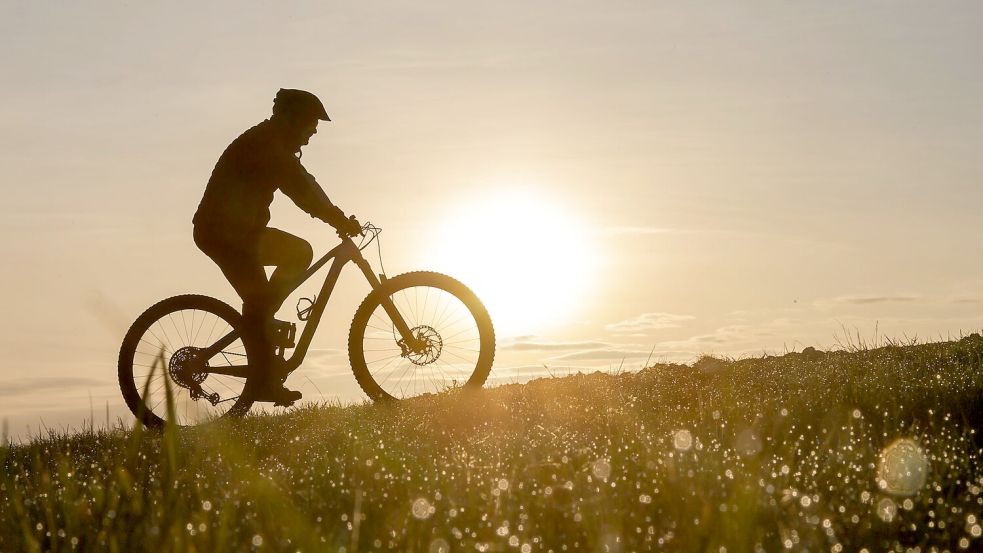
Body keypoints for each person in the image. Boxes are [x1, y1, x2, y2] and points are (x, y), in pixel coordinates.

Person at [192, 88, 360, 405]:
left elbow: (304, 182)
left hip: (239, 233)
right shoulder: (266, 145)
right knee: (274, 282)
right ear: (289, 118)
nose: (312, 133)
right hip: (224, 234)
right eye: (310, 124)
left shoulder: (273, 143)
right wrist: (338, 219)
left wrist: (336, 216)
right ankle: (262, 373)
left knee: (289, 265)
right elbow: (301, 189)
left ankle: (261, 333)